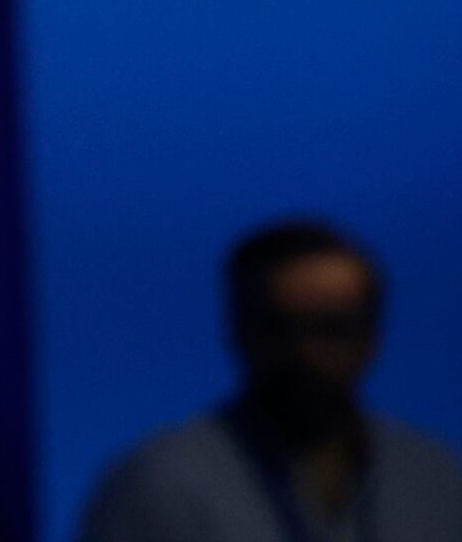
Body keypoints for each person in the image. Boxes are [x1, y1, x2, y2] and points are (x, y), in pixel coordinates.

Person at [81, 220, 462, 542]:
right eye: (279, 327)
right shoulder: (158, 486)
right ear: (239, 330)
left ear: (372, 337)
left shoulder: (436, 482)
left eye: (332, 328)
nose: (305, 352)